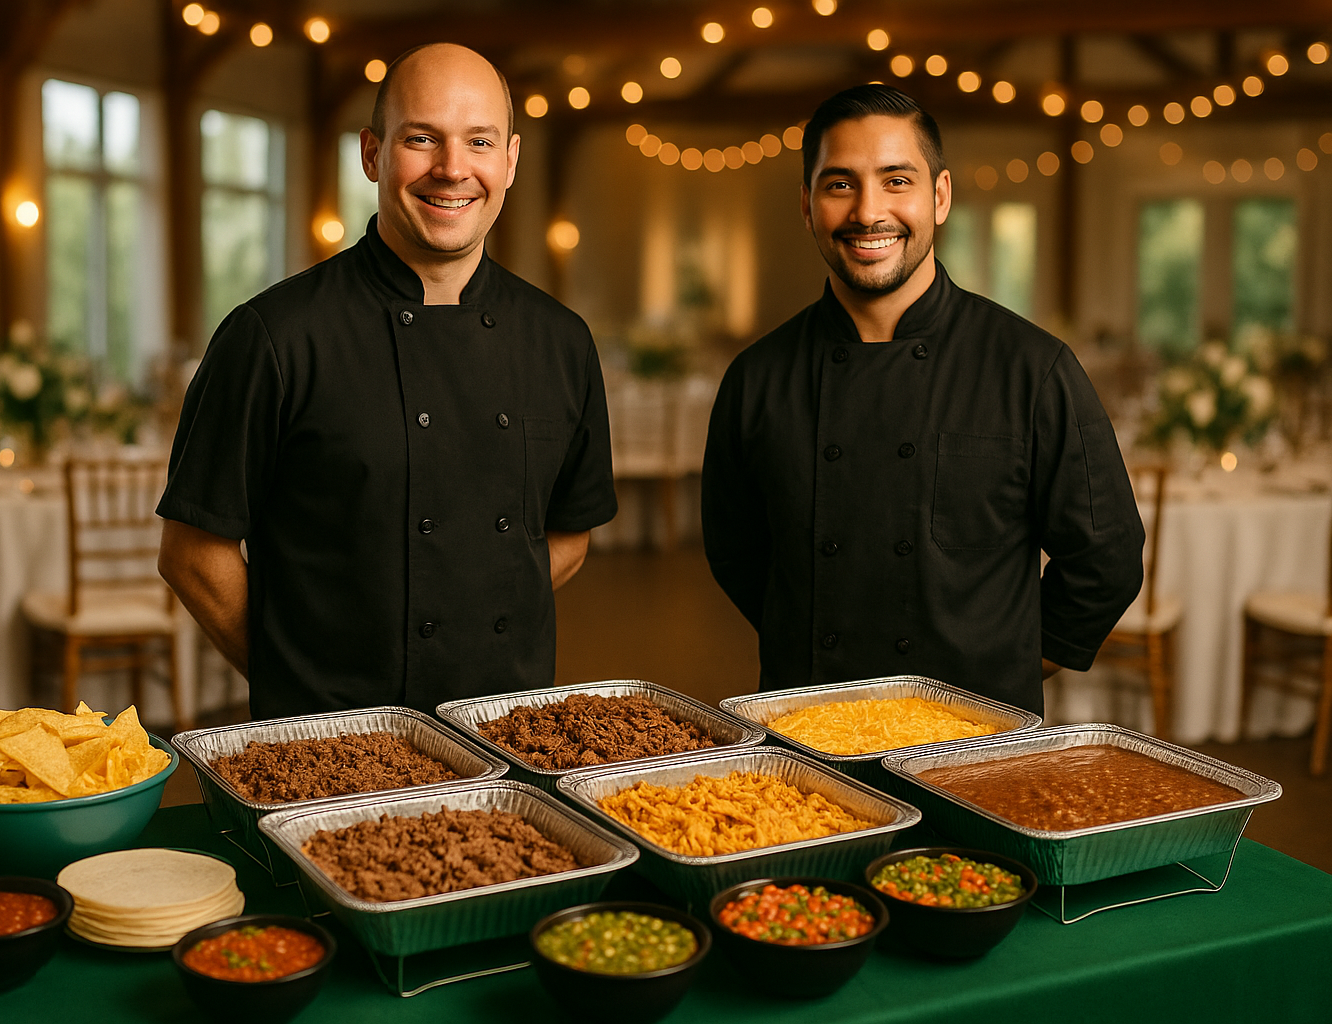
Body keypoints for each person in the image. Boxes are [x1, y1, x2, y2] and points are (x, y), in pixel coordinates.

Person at [157, 43, 616, 718]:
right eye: (421, 138)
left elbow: (570, 532)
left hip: (508, 733)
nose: (452, 169)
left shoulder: (562, 340)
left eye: (479, 142)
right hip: (328, 749)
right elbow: (195, 555)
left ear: (510, 161)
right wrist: (297, 683)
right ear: (373, 154)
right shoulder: (274, 335)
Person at [701, 84, 1143, 714]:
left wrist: (1006, 664)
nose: (867, 212)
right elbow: (737, 553)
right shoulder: (757, 379)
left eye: (897, 181)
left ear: (940, 198)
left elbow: (1109, 554)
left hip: (978, 740)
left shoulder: (1031, 368)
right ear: (806, 205)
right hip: (808, 737)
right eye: (839, 184)